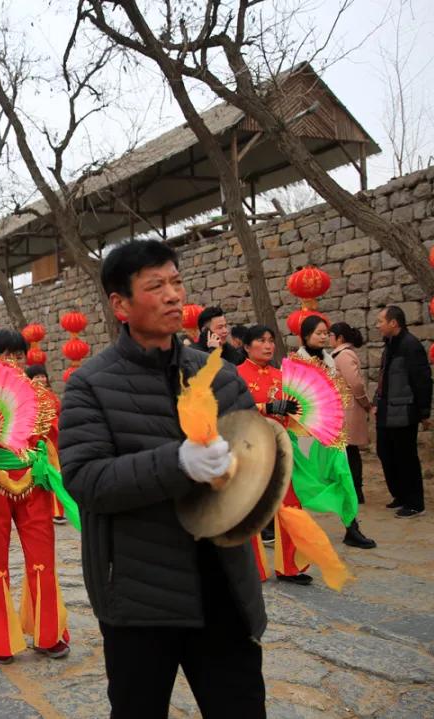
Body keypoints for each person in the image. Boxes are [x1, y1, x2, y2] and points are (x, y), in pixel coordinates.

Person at [60, 240, 265, 718]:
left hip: (222, 586)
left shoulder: (220, 376)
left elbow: (252, 463)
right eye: (156, 286)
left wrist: (251, 468)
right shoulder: (91, 384)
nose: (174, 295)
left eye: (176, 281)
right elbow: (86, 479)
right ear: (121, 304)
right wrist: (177, 464)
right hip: (139, 594)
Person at [0, 329, 71, 665]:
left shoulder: (41, 396)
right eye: (7, 355)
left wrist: (50, 468)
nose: (14, 361)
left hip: (32, 483)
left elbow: (52, 440)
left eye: (19, 356)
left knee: (42, 558)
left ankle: (49, 635)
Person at [237, 325, 312, 583]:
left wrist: (294, 411)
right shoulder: (235, 376)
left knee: (290, 505)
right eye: (261, 341)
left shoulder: (282, 377)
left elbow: (293, 415)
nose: (269, 345)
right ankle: (252, 570)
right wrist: (265, 406)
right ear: (247, 346)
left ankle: (290, 567)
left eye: (271, 341)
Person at [296, 316, 376, 549]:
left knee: (343, 477)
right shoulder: (295, 363)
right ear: (306, 335)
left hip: (331, 431)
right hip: (306, 434)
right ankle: (284, 527)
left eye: (325, 332)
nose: (323, 336)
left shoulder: (331, 360)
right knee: (301, 483)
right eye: (318, 333)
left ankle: (352, 527)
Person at [374, 305, 433, 518]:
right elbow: (384, 377)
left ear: (393, 323)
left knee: (406, 456)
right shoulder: (389, 345)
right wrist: (376, 401)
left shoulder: (411, 346)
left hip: (404, 411)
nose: (378, 325)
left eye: (381, 321)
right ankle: (400, 494)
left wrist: (424, 412)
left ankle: (415, 503)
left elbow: (422, 380)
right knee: (385, 453)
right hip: (385, 410)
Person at [329, 322, 372, 504]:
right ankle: (351, 488)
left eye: (331, 335)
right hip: (343, 409)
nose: (328, 338)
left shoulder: (344, 355)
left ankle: (355, 490)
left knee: (350, 451)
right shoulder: (338, 355)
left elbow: (355, 383)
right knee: (346, 451)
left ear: (340, 338)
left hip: (349, 409)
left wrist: (364, 402)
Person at [26, 363, 66, 523]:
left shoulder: (51, 396)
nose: (41, 379)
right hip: (36, 440)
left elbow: (59, 413)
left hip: (53, 439)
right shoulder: (27, 396)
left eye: (43, 376)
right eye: (37, 376)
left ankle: (57, 510)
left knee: (55, 471)